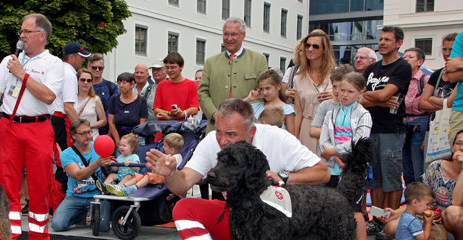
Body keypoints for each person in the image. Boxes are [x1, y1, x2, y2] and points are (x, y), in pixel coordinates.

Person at [146, 98, 330, 239]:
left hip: (276, 223)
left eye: (231, 134)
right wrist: (170, 174)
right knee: (183, 207)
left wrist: (283, 177)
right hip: (236, 216)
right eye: (219, 131)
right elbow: (182, 184)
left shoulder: (278, 138)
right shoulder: (211, 141)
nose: (223, 140)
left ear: (251, 132)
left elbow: (323, 173)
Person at [0, 13, 64, 239]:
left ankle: (39, 236)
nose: (22, 35)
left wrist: (22, 75)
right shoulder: (9, 60)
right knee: (7, 184)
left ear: (42, 36)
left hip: (39, 127)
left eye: (27, 31)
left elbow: (48, 96)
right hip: (9, 126)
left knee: (39, 186)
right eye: (21, 31)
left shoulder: (54, 63)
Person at [362, 26, 413, 234]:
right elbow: (361, 97)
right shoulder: (371, 69)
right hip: (371, 129)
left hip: (392, 131)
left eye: (388, 40)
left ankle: (390, 220)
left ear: (398, 43)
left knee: (391, 178)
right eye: (381, 39)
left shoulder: (402, 67)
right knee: (376, 179)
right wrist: (379, 100)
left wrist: (372, 97)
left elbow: (380, 96)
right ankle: (378, 219)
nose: (382, 43)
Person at [382, 129, 463, 240]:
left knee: (453, 212)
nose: (462, 148)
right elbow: (421, 197)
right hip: (432, 216)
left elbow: (457, 202)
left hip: (459, 222)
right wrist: (396, 213)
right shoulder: (436, 167)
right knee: (391, 227)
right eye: (458, 143)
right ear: (452, 147)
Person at [318, 72, 372, 240]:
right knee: (331, 206)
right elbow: (323, 139)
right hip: (333, 166)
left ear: (360, 93)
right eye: (342, 90)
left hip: (353, 167)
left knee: (354, 208)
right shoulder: (330, 113)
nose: (345, 95)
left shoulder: (364, 115)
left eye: (350, 91)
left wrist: (337, 153)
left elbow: (359, 141)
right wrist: (335, 157)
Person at [198, 17, 268, 133]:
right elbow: (203, 93)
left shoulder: (258, 60)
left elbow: (262, 92)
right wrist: (215, 114)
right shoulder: (211, 62)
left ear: (243, 35)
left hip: (246, 128)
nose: (229, 38)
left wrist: (242, 117)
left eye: (234, 34)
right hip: (216, 129)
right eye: (226, 34)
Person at [52, 119, 116, 232]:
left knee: (103, 227)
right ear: (74, 136)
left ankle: (91, 217)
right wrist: (97, 163)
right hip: (75, 196)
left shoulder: (98, 146)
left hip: (97, 195)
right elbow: (78, 175)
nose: (88, 136)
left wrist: (111, 165)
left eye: (89, 132)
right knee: (57, 225)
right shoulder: (66, 154)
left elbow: (110, 169)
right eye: (83, 133)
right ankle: (81, 216)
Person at [293, 31, 337, 152]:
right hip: (307, 127)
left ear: (324, 49)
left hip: (331, 126)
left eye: (315, 46)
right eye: (307, 45)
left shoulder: (336, 74)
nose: (310, 49)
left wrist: (335, 97)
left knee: (331, 168)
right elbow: (298, 112)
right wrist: (295, 137)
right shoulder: (298, 78)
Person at [108, 132, 185, 197]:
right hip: (158, 175)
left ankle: (133, 188)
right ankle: (122, 187)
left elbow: (170, 161)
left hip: (167, 179)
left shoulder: (177, 157)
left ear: (172, 150)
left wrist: (165, 160)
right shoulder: (167, 155)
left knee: (148, 176)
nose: (163, 147)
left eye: (165, 146)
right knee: (138, 176)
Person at [402, 47, 431, 185]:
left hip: (419, 125)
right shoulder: (401, 79)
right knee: (406, 166)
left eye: (410, 57)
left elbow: (430, 106)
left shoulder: (425, 79)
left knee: (417, 164)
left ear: (420, 61)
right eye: (405, 57)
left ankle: (421, 197)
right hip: (403, 125)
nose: (406, 59)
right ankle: (410, 196)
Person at [52, 42, 88, 150]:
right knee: (66, 158)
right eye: (81, 57)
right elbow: (68, 107)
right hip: (61, 120)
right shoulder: (69, 74)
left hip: (51, 118)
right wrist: (81, 129)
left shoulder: (57, 69)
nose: (83, 60)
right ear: (72, 57)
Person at [243, 69, 295, 135]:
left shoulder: (287, 110)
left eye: (268, 88)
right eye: (261, 89)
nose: (264, 92)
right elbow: (234, 110)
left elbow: (292, 136)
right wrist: (248, 99)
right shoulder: (256, 107)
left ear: (278, 87)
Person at [309, 64, 354, 139]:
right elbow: (313, 131)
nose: (336, 91)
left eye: (340, 87)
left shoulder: (354, 106)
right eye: (334, 86)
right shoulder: (325, 105)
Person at [419, 33, 458, 112]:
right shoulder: (437, 74)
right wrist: (445, 107)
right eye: (444, 49)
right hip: (437, 122)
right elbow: (421, 103)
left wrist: (431, 99)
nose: (447, 53)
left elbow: (452, 103)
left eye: (451, 49)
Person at [153, 52, 199, 121]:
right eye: (167, 67)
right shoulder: (161, 85)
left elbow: (194, 109)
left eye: (173, 67)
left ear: (181, 66)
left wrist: (171, 116)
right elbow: (156, 109)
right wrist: (170, 113)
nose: (169, 70)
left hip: (184, 128)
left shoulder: (192, 85)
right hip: (164, 128)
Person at [108, 72, 148, 146]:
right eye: (119, 83)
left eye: (124, 83)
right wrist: (117, 140)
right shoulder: (114, 99)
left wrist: (130, 138)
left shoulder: (141, 100)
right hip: (118, 137)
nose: (121, 86)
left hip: (136, 138)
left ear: (132, 84)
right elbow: (111, 122)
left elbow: (143, 122)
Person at [443, 29, 463, 145]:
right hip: (462, 107)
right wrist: (456, 67)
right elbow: (452, 75)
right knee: (458, 155)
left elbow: (455, 67)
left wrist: (460, 65)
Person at [88, 53, 118, 135]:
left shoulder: (111, 87)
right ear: (88, 67)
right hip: (86, 130)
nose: (97, 70)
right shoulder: (83, 86)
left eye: (100, 68)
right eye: (94, 67)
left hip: (106, 132)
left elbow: (116, 110)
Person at [75, 68, 106, 139]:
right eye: (83, 80)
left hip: (92, 137)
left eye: (89, 80)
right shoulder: (71, 100)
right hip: (76, 139)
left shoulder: (95, 99)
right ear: (77, 81)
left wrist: (90, 125)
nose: (86, 83)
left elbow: (103, 120)